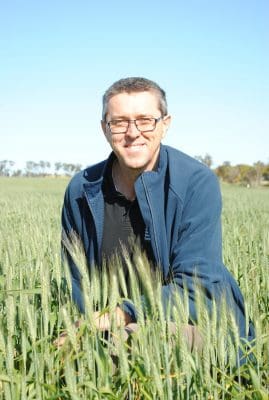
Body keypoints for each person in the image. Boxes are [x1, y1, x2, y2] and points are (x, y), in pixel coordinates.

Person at [59, 77, 254, 352]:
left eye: (145, 120)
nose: (132, 132)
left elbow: (197, 286)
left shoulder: (195, 183)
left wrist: (116, 316)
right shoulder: (81, 189)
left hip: (194, 322)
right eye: (119, 122)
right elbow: (78, 279)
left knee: (126, 342)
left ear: (165, 124)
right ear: (105, 128)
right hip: (105, 325)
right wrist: (83, 327)